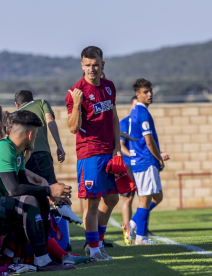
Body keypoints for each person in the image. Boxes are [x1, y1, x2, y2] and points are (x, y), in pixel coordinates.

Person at [0, 110, 73, 271]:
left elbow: (24, 184)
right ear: (30, 134)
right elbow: (14, 189)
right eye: (37, 133)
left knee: (38, 199)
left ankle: (35, 256)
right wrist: (48, 190)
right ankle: (41, 260)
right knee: (30, 201)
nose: (36, 137)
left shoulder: (15, 151)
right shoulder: (4, 148)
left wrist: (51, 195)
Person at [66, 46, 121, 261]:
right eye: (87, 65)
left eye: (95, 64)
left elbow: (115, 118)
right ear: (82, 65)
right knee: (92, 202)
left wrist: (117, 147)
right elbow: (72, 128)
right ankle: (96, 250)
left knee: (113, 198)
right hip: (89, 152)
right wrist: (78, 104)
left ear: (102, 65)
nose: (92, 68)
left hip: (109, 151)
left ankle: (95, 242)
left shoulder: (109, 87)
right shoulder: (75, 92)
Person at [128, 78, 167, 245]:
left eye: (150, 91)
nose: (150, 94)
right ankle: (141, 238)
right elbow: (148, 140)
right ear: (138, 94)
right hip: (145, 161)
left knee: (157, 196)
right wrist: (159, 159)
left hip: (143, 161)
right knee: (144, 200)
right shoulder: (142, 112)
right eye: (145, 92)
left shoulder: (137, 112)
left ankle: (131, 225)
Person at [14, 90, 65, 184]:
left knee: (33, 192)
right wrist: (59, 145)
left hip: (24, 160)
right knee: (52, 189)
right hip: (42, 154)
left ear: (16, 104)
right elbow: (50, 121)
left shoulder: (15, 115)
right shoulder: (41, 103)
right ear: (32, 99)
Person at [120, 96, 138, 245]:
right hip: (129, 165)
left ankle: (140, 227)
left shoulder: (143, 122)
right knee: (128, 198)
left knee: (150, 197)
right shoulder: (125, 123)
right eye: (135, 105)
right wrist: (135, 155)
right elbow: (121, 145)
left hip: (143, 164)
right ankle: (127, 230)